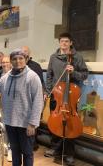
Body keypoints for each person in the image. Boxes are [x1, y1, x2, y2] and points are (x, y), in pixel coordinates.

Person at [44, 33, 88, 165]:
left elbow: (85, 75)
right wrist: (50, 90)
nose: (64, 43)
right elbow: (49, 75)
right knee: (54, 122)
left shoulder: (77, 57)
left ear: (71, 43)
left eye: (66, 41)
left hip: (70, 98)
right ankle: (55, 149)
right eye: (62, 41)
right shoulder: (53, 57)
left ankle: (69, 153)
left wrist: (73, 71)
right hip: (56, 96)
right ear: (59, 43)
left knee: (70, 125)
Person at [21, 46, 45, 151]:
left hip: (33, 97)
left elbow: (40, 82)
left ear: (29, 54)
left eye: (25, 52)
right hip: (22, 99)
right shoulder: (18, 64)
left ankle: (32, 144)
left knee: (32, 122)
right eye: (22, 52)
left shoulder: (36, 66)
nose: (24, 53)